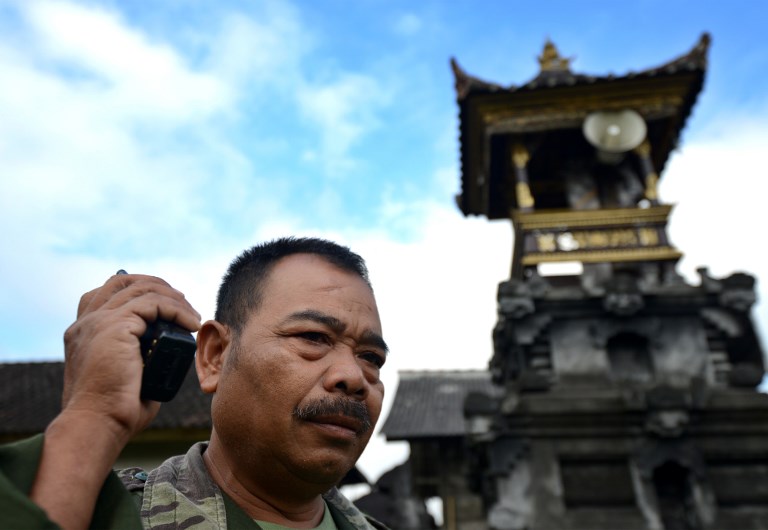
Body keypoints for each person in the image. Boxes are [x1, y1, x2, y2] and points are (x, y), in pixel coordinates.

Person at [0, 237, 389, 529]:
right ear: (215, 356)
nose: (354, 377)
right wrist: (93, 415)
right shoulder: (104, 516)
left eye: (371, 358)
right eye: (313, 337)